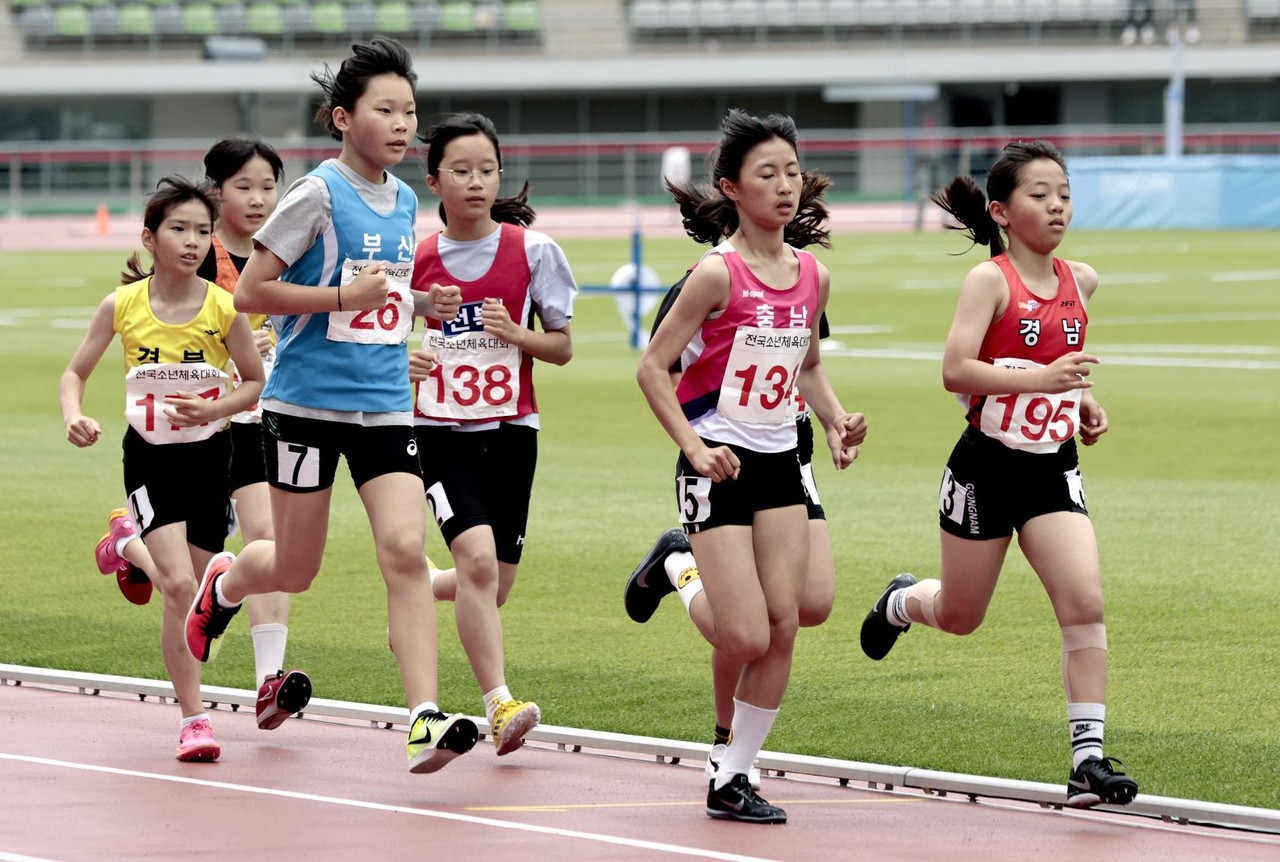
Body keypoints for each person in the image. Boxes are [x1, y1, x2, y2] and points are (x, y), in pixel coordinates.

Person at [181, 36, 479, 774]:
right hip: (306, 407)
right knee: (296, 568)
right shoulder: (315, 194)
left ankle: (422, 718)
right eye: (387, 109)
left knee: (406, 553)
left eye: (411, 110)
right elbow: (252, 293)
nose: (404, 124)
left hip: (384, 404)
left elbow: (378, 296)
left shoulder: (407, 198)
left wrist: (421, 303)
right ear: (344, 118)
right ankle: (225, 581)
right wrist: (346, 296)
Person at [857, 140, 1139, 810]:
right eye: (1040, 195)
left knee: (1085, 604)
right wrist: (1043, 379)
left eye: (1064, 193)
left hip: (1050, 469)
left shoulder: (1082, 280)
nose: (1057, 205)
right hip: (986, 467)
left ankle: (1087, 760)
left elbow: (1062, 374)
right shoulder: (990, 282)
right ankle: (902, 601)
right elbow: (956, 371)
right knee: (960, 616)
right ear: (1002, 212)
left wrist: (1083, 405)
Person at [635, 108, 864, 824]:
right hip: (718, 466)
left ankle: (732, 776)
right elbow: (651, 368)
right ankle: (679, 566)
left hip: (780, 465)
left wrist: (834, 420)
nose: (785, 185)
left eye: (792, 171)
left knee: (788, 622)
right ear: (733, 187)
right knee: (745, 637)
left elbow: (809, 365)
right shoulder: (714, 276)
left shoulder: (813, 275)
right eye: (767, 174)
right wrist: (695, 447)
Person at [95, 136, 313, 731]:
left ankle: (269, 678)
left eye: (270, 186)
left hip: (271, 415)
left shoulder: (291, 255)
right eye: (244, 186)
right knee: (201, 569)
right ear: (217, 194)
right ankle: (130, 542)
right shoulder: (197, 256)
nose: (260, 198)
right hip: (208, 428)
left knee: (270, 545)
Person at [60, 177, 266, 761]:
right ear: (150, 237)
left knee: (196, 594)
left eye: (203, 230)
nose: (193, 240)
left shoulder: (225, 307)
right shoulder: (122, 305)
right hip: (150, 457)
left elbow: (254, 380)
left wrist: (216, 406)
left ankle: (125, 544)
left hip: (211, 459)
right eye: (180, 228)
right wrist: (75, 414)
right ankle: (194, 720)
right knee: (177, 586)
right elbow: (75, 372)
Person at [406, 112, 576, 756]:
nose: (476, 182)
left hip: (511, 432)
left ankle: (417, 587)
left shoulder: (534, 252)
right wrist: (406, 360)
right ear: (434, 181)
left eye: (487, 170)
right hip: (439, 431)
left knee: (493, 584)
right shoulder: (415, 259)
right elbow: (382, 336)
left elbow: (561, 348)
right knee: (476, 562)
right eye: (461, 170)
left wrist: (517, 336)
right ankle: (499, 705)